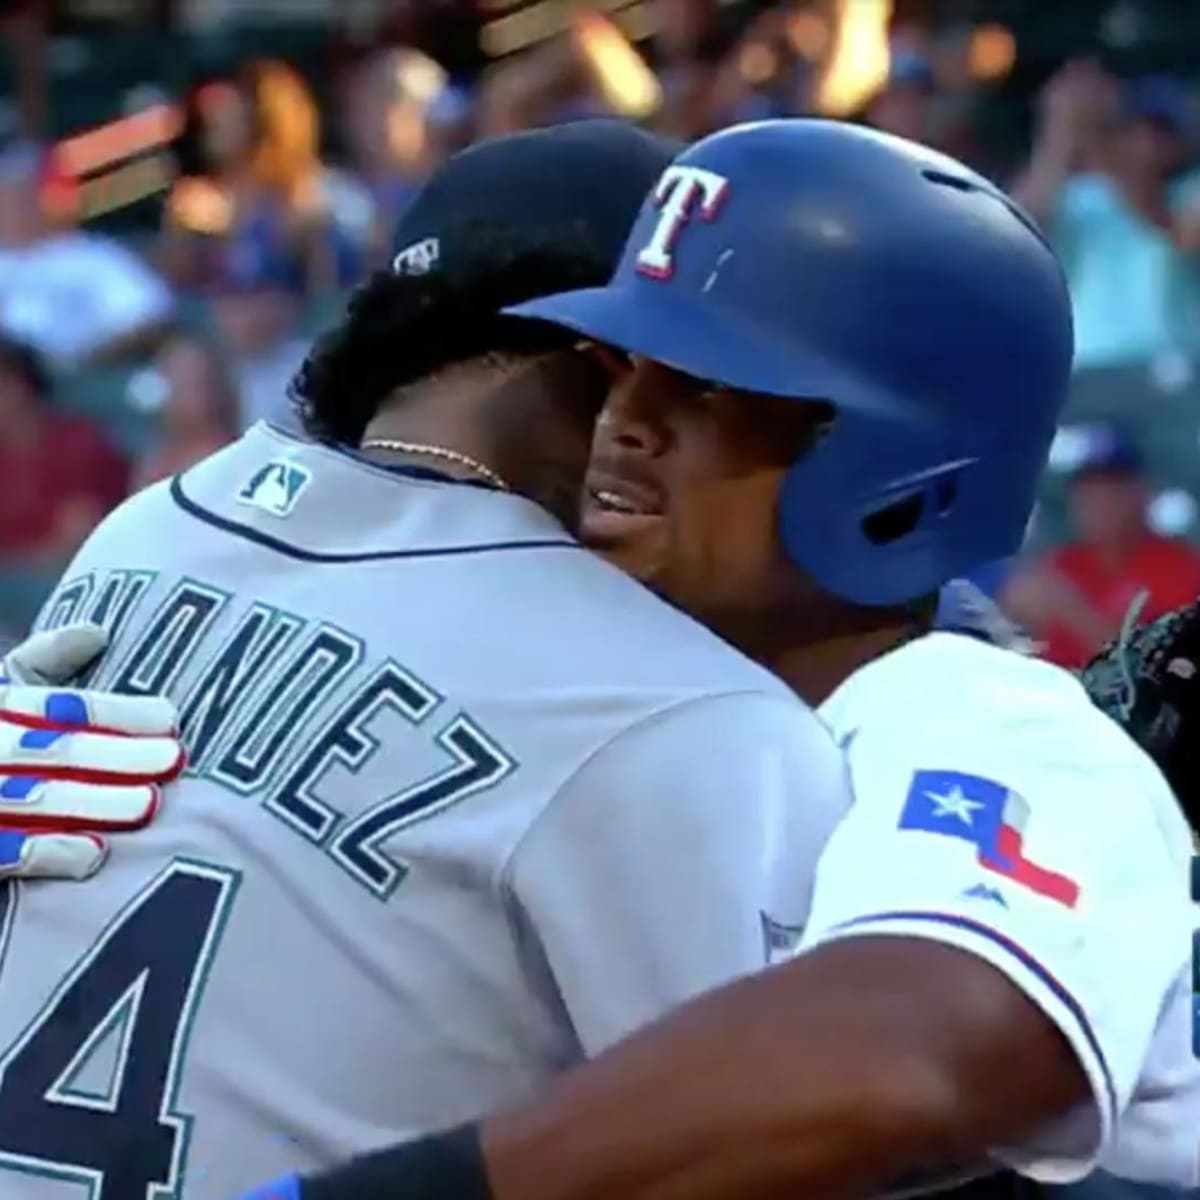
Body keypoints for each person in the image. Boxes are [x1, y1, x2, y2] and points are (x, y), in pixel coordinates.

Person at [258, 121, 1196, 1200]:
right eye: (622, 371)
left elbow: (903, 1055)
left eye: (705, 388)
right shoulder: (600, 679)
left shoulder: (989, 721)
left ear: (896, 466)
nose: (624, 423)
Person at [0, 121, 853, 1199]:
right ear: (610, 364)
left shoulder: (142, 534)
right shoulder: (681, 704)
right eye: (695, 376)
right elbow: (789, 1148)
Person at [1003, 424, 1200, 668]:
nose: (1100, 504)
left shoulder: (1180, 568)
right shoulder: (1058, 564)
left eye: (1113, 490)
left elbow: (1154, 668)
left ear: (1142, 492)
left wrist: (1070, 608)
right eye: (1089, 491)